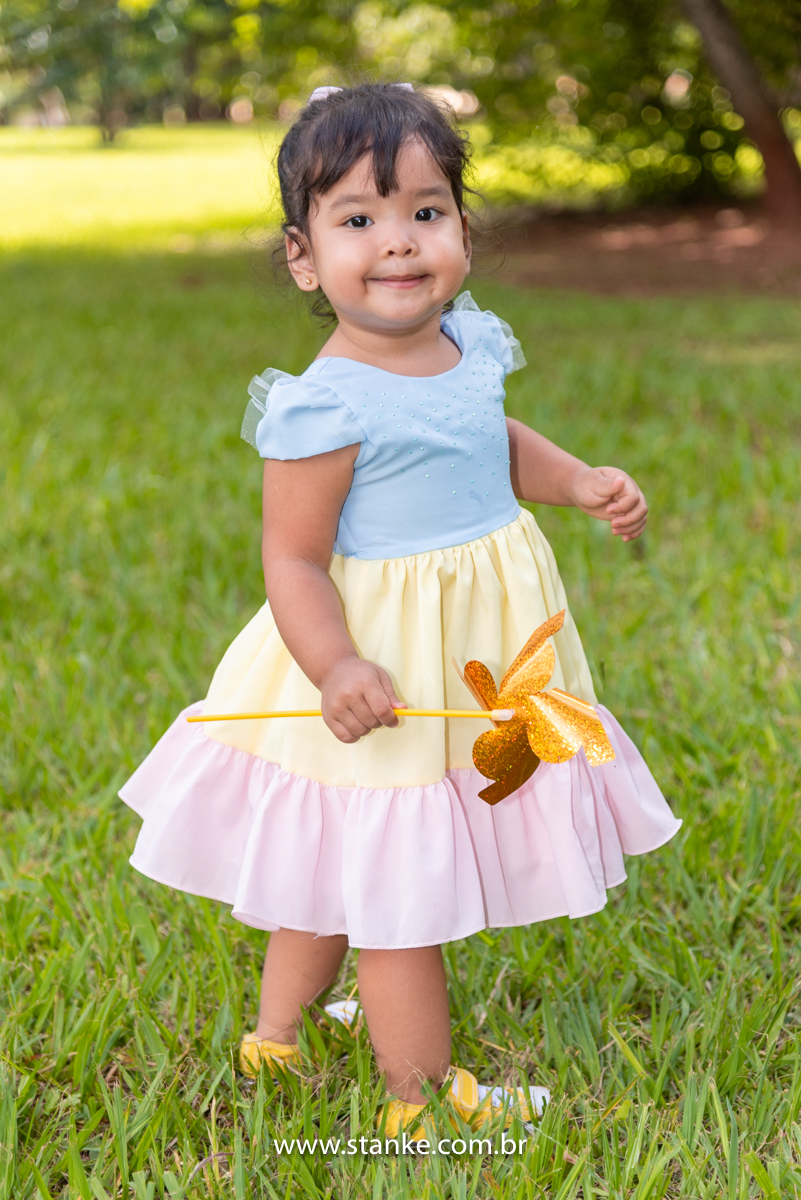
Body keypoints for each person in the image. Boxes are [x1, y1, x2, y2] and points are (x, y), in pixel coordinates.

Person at [120, 82, 680, 1137]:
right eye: (358, 219)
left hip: (468, 646)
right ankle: (420, 1101)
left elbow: (492, 442)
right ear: (303, 255)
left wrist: (579, 480)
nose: (399, 244)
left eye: (425, 213)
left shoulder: (471, 343)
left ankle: (275, 1040)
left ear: (464, 231)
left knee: (342, 852)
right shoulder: (325, 401)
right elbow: (291, 559)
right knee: (398, 884)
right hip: (380, 660)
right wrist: (335, 667)